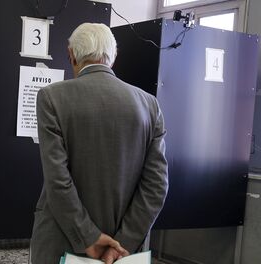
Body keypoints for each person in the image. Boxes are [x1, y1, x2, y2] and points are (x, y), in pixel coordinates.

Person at [30, 23, 169, 264]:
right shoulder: (149, 105)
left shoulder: (51, 97)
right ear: (113, 57)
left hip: (61, 242)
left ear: (71, 55)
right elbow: (156, 186)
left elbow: (58, 180)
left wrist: (89, 237)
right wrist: (123, 243)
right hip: (123, 252)